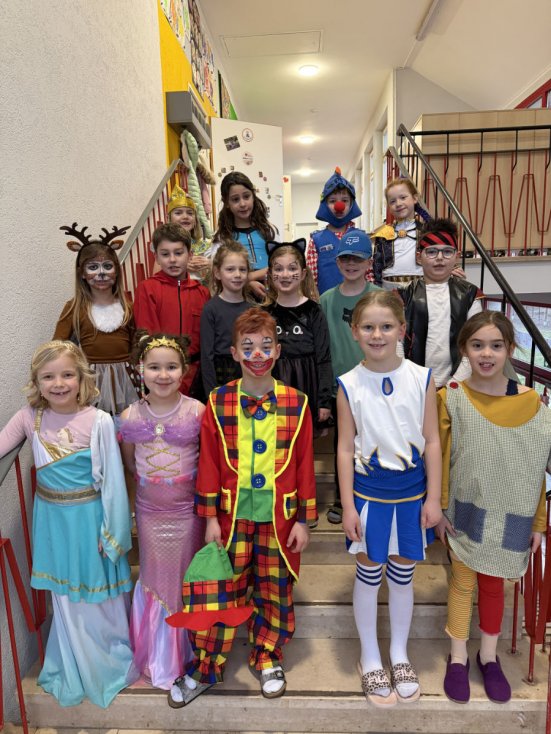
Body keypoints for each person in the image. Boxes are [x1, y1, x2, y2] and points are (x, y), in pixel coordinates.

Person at [166, 308, 317, 707]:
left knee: (274, 590)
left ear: (278, 350)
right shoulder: (218, 402)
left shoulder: (297, 402)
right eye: (248, 347)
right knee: (218, 590)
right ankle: (207, 665)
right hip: (230, 519)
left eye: (266, 346)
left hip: (278, 520)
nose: (257, 355)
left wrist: (304, 519)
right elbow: (210, 463)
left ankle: (266, 654)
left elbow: (304, 463)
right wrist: (210, 518)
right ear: (233, 353)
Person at [0, 341, 136, 707]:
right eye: (48, 377)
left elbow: (113, 481)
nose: (58, 384)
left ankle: (105, 663)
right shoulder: (29, 417)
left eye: (67, 375)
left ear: (81, 378)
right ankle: (72, 661)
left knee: (98, 596)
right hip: (53, 524)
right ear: (36, 382)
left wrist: (112, 532)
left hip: (91, 522)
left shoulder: (99, 420)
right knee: (66, 598)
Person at [436, 311, 551, 705]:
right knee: (462, 582)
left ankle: (488, 656)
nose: (486, 354)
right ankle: (457, 657)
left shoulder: (532, 402)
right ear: (464, 349)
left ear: (510, 349)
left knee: (494, 585)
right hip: (465, 509)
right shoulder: (451, 396)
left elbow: (537, 466)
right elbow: (441, 458)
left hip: (513, 513)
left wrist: (538, 523)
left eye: (496, 346)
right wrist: (439, 508)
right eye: (477, 345)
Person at [338, 291, 442, 707]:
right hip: (369, 497)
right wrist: (348, 506)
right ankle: (369, 656)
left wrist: (434, 499)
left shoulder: (422, 377)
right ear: (354, 332)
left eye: (386, 326)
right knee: (369, 573)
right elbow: (344, 448)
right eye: (368, 327)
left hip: (412, 496)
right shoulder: (349, 383)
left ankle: (399, 653)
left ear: (402, 329)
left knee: (402, 575)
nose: (377, 334)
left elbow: (432, 441)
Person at [119, 332, 205, 690]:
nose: (163, 375)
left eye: (171, 367)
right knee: (154, 578)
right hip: (151, 513)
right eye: (154, 367)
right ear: (141, 370)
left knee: (184, 578)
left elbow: (208, 461)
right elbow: (130, 465)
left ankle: (189, 651)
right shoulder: (129, 415)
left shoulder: (197, 411)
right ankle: (158, 654)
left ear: (184, 370)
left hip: (187, 513)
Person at [320, 229, 381, 523]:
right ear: (337, 261)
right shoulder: (326, 300)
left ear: (369, 261)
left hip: (375, 385)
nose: (351, 264)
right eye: (346, 258)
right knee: (343, 445)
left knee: (374, 441)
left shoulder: (379, 297)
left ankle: (371, 494)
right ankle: (341, 499)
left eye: (358, 258)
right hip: (340, 388)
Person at [53, 223, 137, 415]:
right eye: (93, 267)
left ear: (116, 271)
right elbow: (58, 346)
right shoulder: (74, 308)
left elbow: (135, 343)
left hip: (126, 380)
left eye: (107, 266)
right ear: (82, 273)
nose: (101, 273)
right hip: (91, 380)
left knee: (125, 424)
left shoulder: (127, 307)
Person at [399, 218, 484, 388]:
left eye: (447, 252)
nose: (439, 258)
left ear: (456, 256)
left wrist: (454, 384)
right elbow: (396, 342)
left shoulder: (470, 295)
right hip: (412, 384)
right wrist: (407, 379)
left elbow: (476, 343)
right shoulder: (403, 295)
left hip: (458, 385)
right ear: (419, 257)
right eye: (431, 252)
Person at [133, 223, 210, 398]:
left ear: (190, 255)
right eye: (165, 254)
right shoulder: (148, 288)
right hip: (162, 375)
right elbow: (147, 333)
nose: (172, 260)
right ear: (156, 257)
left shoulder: (202, 292)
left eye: (178, 253)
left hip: (195, 375)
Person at [263, 238, 332, 430]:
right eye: (278, 269)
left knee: (302, 439)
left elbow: (324, 358)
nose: (285, 275)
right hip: (274, 387)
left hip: (306, 384)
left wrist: (324, 400)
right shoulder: (265, 313)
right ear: (270, 274)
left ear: (302, 274)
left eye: (292, 268)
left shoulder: (313, 311)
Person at [213, 171, 277, 300]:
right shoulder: (222, 237)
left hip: (272, 293)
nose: (242, 204)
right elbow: (219, 274)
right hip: (238, 297)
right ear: (227, 203)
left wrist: (250, 277)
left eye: (246, 197)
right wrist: (247, 283)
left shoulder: (269, 230)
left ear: (253, 196)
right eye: (235, 199)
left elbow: (279, 262)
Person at [200, 242, 251, 396]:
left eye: (242, 269)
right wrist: (211, 393)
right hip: (221, 374)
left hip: (248, 371)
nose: (237, 274)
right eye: (230, 269)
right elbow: (207, 355)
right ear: (217, 273)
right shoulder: (211, 309)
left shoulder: (253, 309)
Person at [305, 167, 364, 295]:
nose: (339, 206)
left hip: (358, 301)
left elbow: (368, 274)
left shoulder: (361, 237)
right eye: (332, 201)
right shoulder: (316, 240)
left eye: (345, 200)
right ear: (325, 205)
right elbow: (311, 279)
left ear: (351, 204)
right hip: (327, 301)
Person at [372, 178, 430, 288]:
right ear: (389, 207)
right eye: (392, 201)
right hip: (389, 289)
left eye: (403, 198)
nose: (398, 204)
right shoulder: (383, 234)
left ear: (415, 198)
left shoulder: (427, 231)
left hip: (421, 288)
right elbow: (377, 267)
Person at [166, 184, 213, 282]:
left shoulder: (204, 246)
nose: (185, 217)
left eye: (190, 213)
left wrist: (210, 263)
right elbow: (157, 275)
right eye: (178, 213)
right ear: (169, 218)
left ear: (195, 220)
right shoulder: (164, 245)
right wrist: (181, 266)